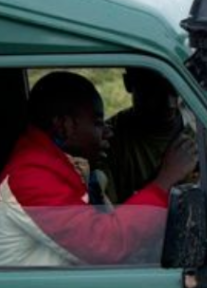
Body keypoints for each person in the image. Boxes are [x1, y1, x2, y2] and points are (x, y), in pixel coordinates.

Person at [0, 71, 196, 267]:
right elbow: (106, 245)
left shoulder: (50, 165)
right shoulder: (29, 177)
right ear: (63, 126)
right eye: (98, 123)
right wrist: (164, 181)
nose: (108, 132)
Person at [102, 67, 196, 204]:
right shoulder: (106, 142)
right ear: (128, 83)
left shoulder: (202, 131)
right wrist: (167, 177)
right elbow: (114, 222)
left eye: (174, 89)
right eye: (155, 89)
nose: (170, 103)